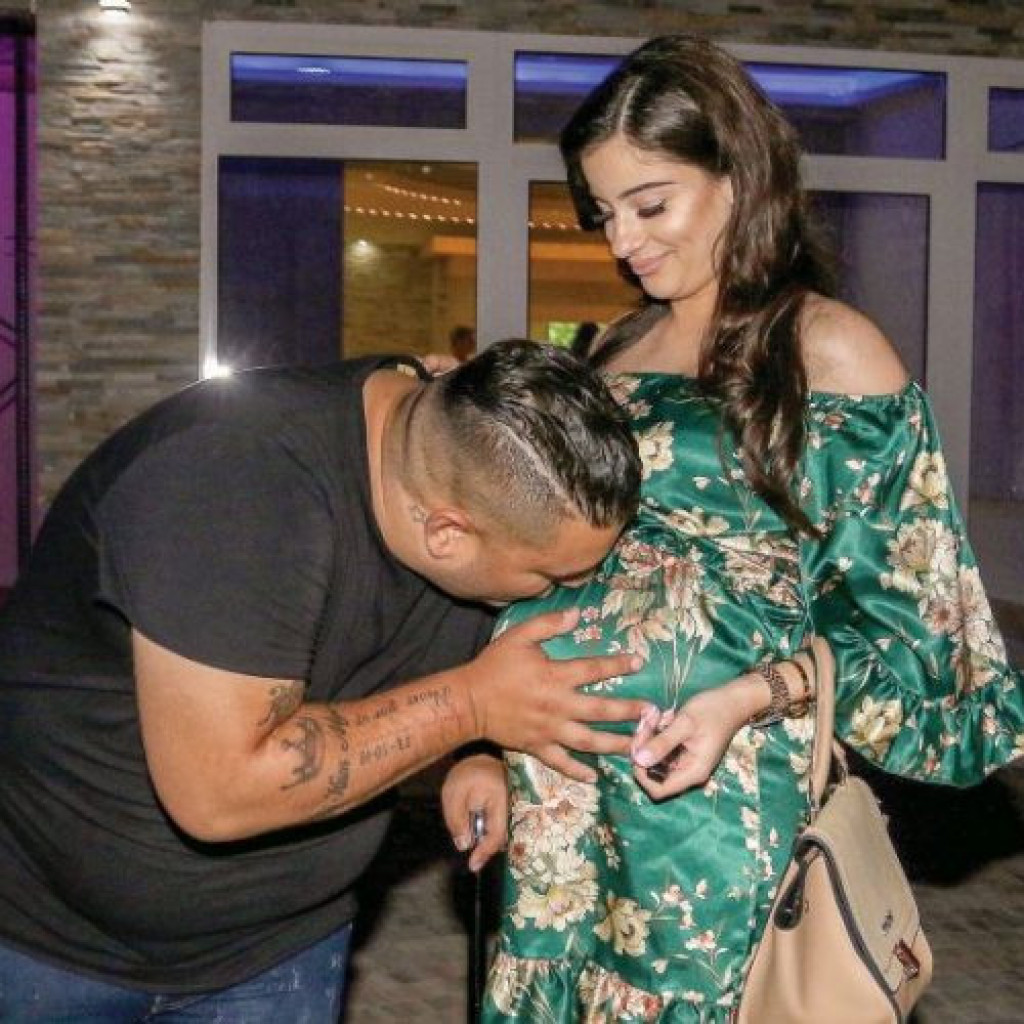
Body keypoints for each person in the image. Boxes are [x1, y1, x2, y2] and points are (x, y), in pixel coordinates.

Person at [441, 35, 1024, 1021]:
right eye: (604, 213)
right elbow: (548, 563)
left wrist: (748, 698)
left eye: (650, 204)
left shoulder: (830, 351)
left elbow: (919, 640)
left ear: (739, 177)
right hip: (565, 794)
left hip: (712, 810)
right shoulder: (613, 346)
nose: (622, 242)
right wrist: (486, 745)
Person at [0, 340, 651, 1022]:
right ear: (446, 535)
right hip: (51, 943)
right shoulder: (235, 479)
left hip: (284, 945)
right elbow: (220, 792)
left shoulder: (439, 448)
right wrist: (472, 707)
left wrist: (478, 751)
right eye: (549, 576)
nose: (561, 592)